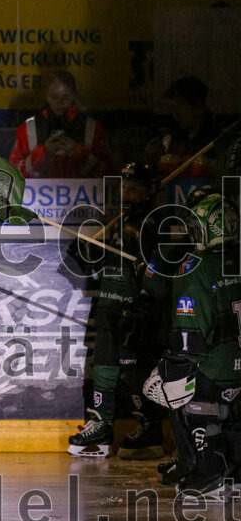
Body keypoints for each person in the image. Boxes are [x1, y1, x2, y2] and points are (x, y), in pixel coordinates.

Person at [65, 162, 165, 459]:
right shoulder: (120, 221)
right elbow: (100, 264)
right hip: (109, 302)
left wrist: (144, 305)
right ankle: (102, 422)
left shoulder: (153, 224)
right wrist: (85, 253)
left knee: (134, 371)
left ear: (149, 190)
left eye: (134, 187)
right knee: (104, 366)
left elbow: (160, 272)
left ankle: (149, 427)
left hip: (132, 308)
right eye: (124, 186)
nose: (127, 192)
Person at [146, 193, 241, 500]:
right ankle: (234, 470)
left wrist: (172, 367)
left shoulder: (195, 269)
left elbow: (188, 337)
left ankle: (207, 467)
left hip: (214, 370)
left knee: (167, 384)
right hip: (237, 368)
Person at [8, 70, 113, 179]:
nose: (59, 103)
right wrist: (43, 153)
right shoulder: (27, 129)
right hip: (38, 195)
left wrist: (77, 153)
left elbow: (109, 174)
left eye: (65, 98)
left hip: (82, 194)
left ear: (74, 96)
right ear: (46, 96)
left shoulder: (92, 128)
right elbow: (13, 175)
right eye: (53, 97)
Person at [145, 76, 219, 179]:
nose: (175, 114)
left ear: (198, 106)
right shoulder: (167, 140)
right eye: (172, 108)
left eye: (180, 107)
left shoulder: (218, 140)